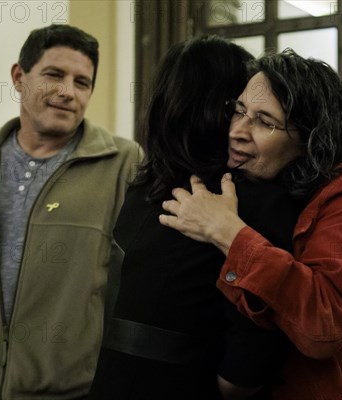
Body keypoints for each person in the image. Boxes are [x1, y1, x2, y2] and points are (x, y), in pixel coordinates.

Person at [160, 49, 342, 400]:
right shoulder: (251, 179)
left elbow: (324, 325)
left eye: (264, 122)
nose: (237, 132)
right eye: (238, 111)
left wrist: (226, 231)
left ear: (307, 138)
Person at [0, 24, 143, 399]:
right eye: (54, 75)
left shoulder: (123, 164)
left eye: (82, 82)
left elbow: (139, 291)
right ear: (18, 77)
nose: (67, 92)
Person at [88, 36, 301, 400]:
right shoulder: (245, 198)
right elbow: (248, 360)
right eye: (238, 106)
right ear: (216, 109)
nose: (243, 121)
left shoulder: (145, 187)